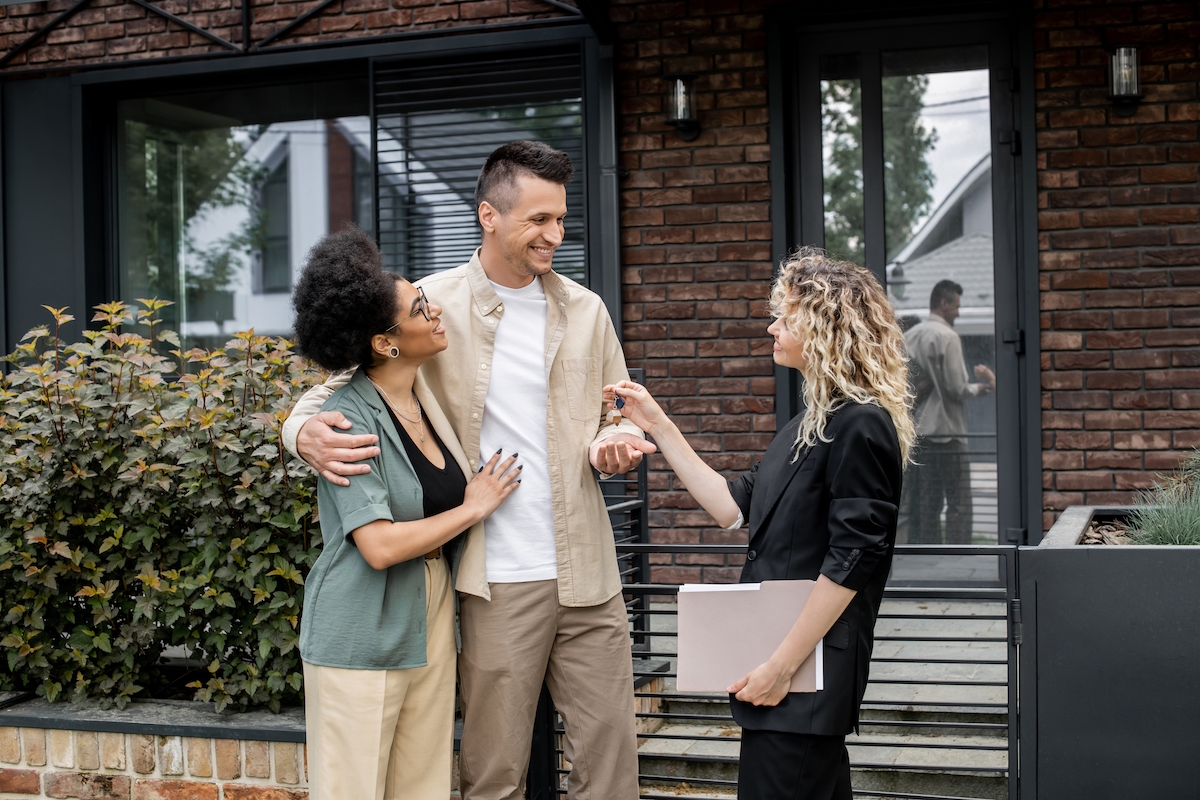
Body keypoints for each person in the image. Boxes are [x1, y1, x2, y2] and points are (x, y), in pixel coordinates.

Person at [282, 141, 651, 800]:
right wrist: (300, 434)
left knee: (610, 765)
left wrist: (614, 441)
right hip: (497, 580)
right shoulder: (430, 306)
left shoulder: (587, 311)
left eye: (561, 219)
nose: (554, 235)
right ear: (489, 215)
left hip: (589, 572)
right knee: (494, 774)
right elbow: (331, 393)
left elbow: (616, 413)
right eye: (538, 220)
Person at [605, 248, 914, 800]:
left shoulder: (860, 424)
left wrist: (779, 666)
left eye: (785, 317)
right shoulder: (810, 422)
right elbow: (731, 507)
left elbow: (854, 559)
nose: (772, 327)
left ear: (823, 328)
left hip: (803, 675)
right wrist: (656, 421)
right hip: (783, 674)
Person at [291, 227, 521, 800]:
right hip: (361, 627)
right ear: (385, 343)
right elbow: (380, 545)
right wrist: (475, 507)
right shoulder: (348, 422)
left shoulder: (425, 399)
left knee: (422, 788)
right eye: (420, 307)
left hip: (430, 614)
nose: (435, 308)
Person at [901, 279, 995, 544]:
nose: (958, 312)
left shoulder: (911, 336)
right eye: (956, 306)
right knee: (958, 501)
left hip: (920, 432)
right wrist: (982, 387)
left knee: (927, 501)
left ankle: (927, 550)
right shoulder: (947, 336)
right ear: (944, 303)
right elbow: (957, 388)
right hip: (948, 432)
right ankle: (958, 552)